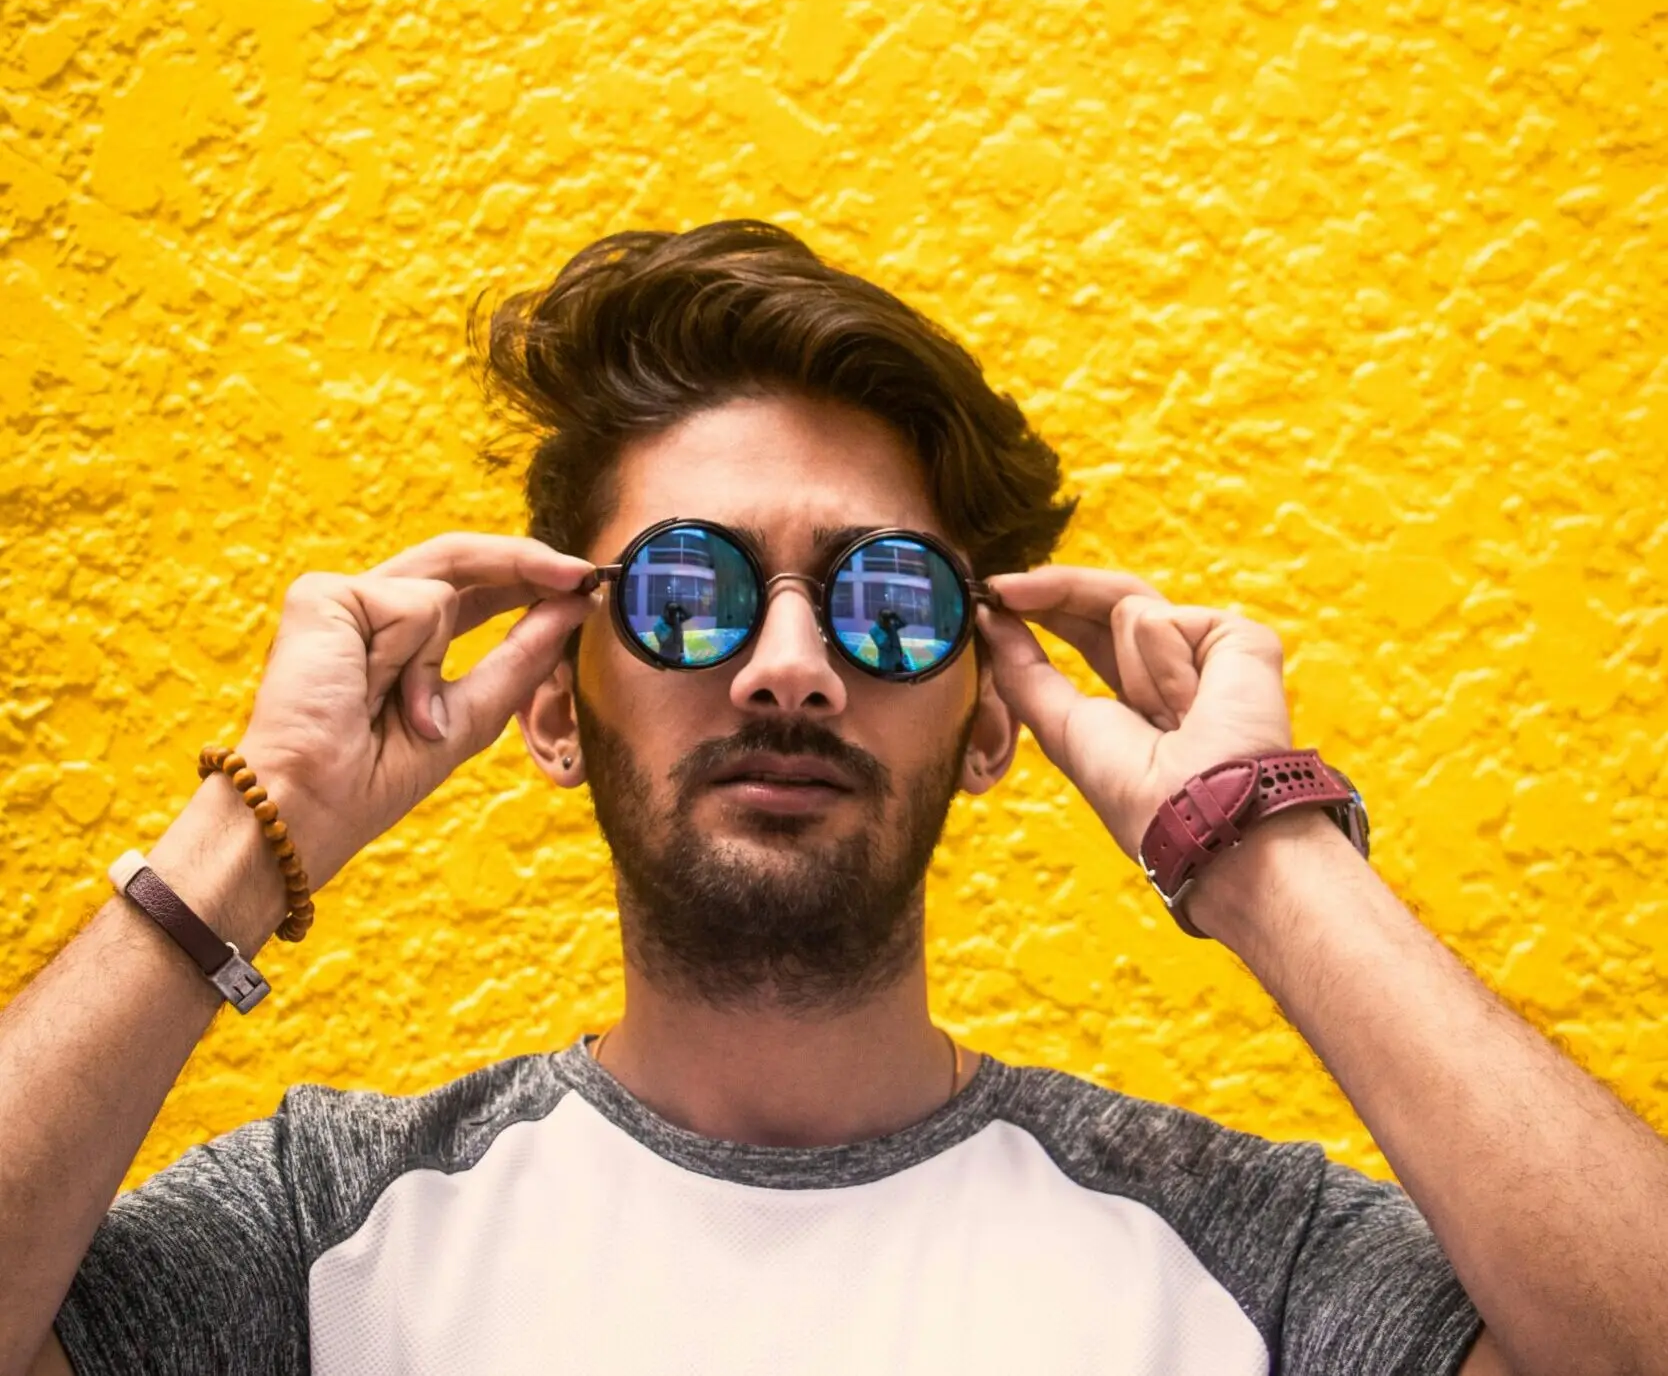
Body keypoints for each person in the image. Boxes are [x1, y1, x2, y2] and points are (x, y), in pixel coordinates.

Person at [1, 221, 1664, 1376]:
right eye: (687, 589)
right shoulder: (320, 1238)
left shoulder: (1245, 1255)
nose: (790, 666)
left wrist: (1261, 843)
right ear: (556, 708)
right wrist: (252, 822)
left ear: (994, 718)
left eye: (886, 600)